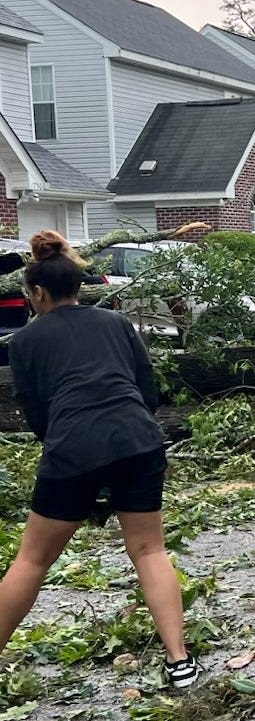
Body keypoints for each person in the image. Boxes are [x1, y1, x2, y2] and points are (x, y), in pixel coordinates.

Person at [0, 231, 197, 688]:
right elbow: (146, 390)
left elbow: (37, 414)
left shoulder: (25, 344)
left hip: (72, 447)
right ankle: (179, 661)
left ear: (37, 293)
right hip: (138, 440)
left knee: (31, 559)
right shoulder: (115, 323)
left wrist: (78, 465)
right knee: (150, 550)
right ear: (78, 286)